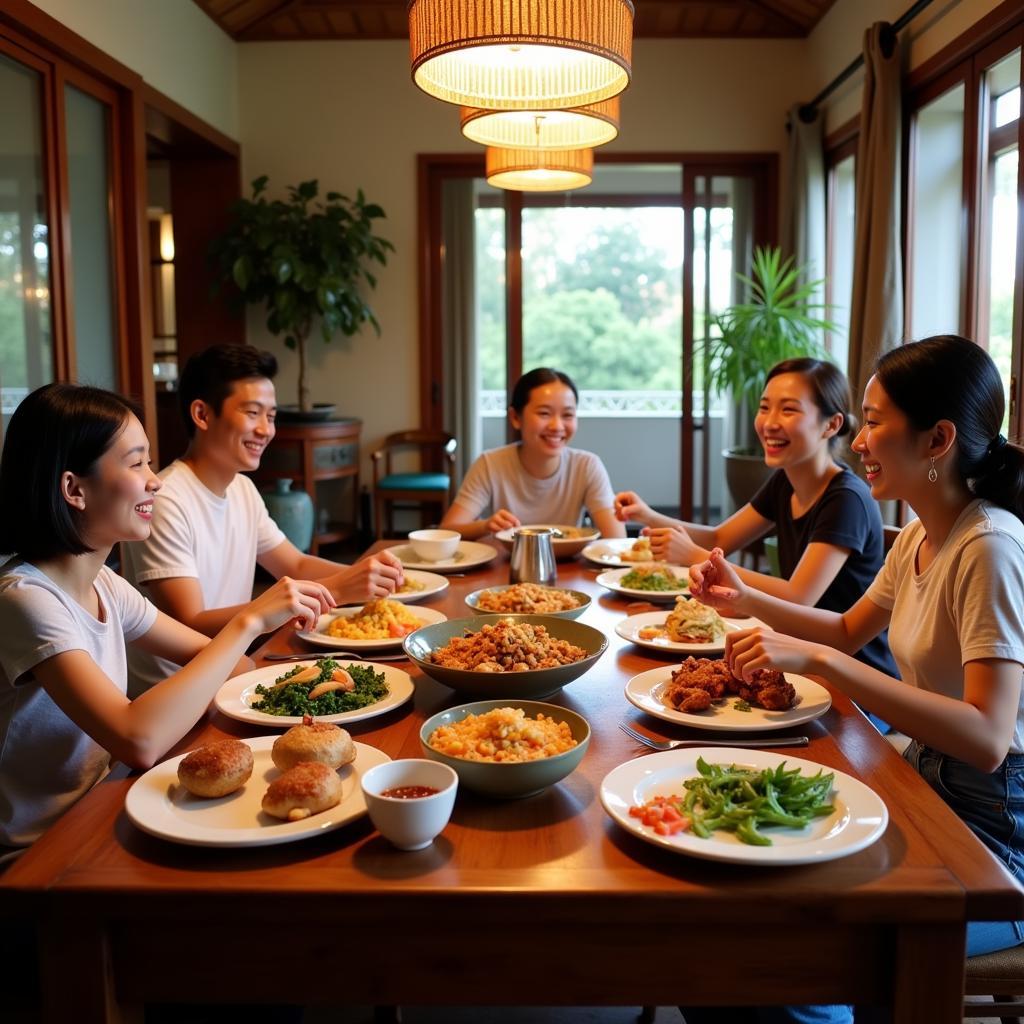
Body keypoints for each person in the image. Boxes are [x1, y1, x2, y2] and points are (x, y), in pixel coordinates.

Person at [685, 335, 1024, 1023]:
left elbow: (989, 737)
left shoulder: (989, 548)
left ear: (938, 440)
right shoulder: (923, 533)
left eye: (873, 421)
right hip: (925, 782)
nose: (859, 439)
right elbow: (843, 631)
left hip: (999, 834)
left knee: (792, 957)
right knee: (726, 914)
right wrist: (742, 600)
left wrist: (820, 663)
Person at [0, 383, 334, 855]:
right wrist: (248, 622)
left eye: (150, 462)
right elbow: (138, 738)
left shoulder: (105, 586)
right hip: (40, 854)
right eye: (136, 463)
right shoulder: (25, 600)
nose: (154, 480)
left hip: (104, 805)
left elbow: (235, 669)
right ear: (74, 488)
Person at [121, 344, 403, 694]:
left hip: (234, 672)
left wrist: (366, 577)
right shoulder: (166, 500)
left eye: (270, 416)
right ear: (202, 414)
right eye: (252, 413)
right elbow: (189, 623)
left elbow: (295, 564)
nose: (265, 430)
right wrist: (338, 587)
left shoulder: (242, 488)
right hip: (180, 695)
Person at [615, 358, 896, 682]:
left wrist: (695, 556)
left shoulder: (847, 499)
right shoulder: (786, 480)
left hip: (853, 679)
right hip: (798, 656)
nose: (769, 423)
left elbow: (797, 596)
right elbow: (721, 539)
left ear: (830, 425)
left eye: (788, 410)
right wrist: (648, 515)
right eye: (765, 407)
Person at [439, 367, 625, 540]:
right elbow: (446, 532)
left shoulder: (587, 466)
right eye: (544, 413)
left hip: (570, 568)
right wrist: (485, 526)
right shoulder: (490, 464)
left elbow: (616, 540)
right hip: (508, 567)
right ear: (515, 417)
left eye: (567, 415)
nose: (557, 426)